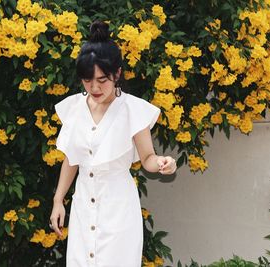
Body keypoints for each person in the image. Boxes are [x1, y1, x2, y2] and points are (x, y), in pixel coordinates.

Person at [49, 20, 177, 267]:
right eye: (87, 80)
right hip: (83, 204)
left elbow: (148, 158)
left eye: (102, 79)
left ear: (117, 73)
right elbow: (71, 159)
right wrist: (58, 201)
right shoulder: (75, 108)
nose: (94, 87)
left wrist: (162, 162)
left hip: (118, 207)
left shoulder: (132, 109)